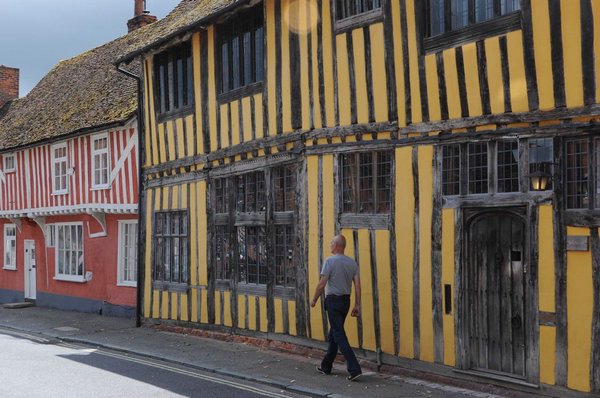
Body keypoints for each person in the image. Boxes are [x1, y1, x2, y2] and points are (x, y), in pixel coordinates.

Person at [310, 235, 362, 381]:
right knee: (334, 333)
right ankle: (326, 366)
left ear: (338, 245)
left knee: (338, 334)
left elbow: (322, 284)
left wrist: (314, 299)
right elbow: (357, 285)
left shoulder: (329, 261)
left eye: (331, 243)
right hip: (345, 302)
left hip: (333, 301)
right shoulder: (352, 263)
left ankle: (354, 368)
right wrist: (357, 304)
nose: (330, 245)